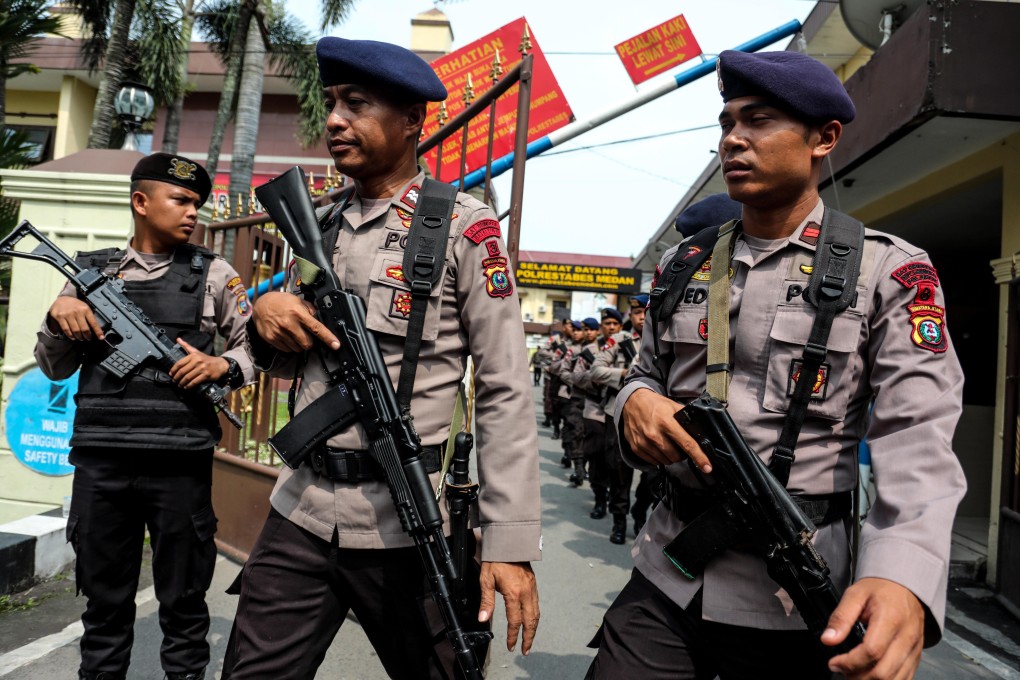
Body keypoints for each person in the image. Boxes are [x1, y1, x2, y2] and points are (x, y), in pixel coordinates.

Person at [586, 49, 967, 679]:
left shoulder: (888, 272)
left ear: (824, 138)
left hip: (794, 597)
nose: (733, 138)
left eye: (759, 120)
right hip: (669, 573)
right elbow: (641, 373)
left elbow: (917, 433)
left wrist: (900, 573)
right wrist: (635, 402)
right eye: (727, 121)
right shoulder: (685, 263)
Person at [222, 37, 541, 680]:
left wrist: (508, 542)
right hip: (302, 508)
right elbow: (295, 359)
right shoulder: (319, 226)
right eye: (333, 103)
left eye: (357, 104)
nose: (335, 119)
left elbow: (506, 387)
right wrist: (266, 322)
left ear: (411, 122)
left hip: (405, 518)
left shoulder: (464, 230)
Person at [34, 152, 254, 680]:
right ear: (140, 202)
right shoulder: (87, 274)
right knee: (104, 606)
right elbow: (51, 366)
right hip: (102, 464)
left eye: (196, 203)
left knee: (183, 603)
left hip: (179, 463)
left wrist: (221, 363)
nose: (191, 212)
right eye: (180, 199)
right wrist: (58, 317)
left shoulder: (213, 273)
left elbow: (254, 349)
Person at [589, 301, 644, 544]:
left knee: (655, 478)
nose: (642, 317)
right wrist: (624, 374)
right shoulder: (620, 340)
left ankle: (640, 512)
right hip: (619, 411)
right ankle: (619, 522)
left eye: (646, 312)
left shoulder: (665, 335)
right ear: (630, 316)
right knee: (619, 471)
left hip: (654, 413)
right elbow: (596, 370)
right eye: (637, 313)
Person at [572, 309, 622, 520]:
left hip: (619, 407)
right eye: (607, 323)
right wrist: (594, 379)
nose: (610, 327)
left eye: (614, 323)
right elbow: (575, 376)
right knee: (597, 454)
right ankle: (600, 498)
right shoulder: (589, 350)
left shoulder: (627, 346)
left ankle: (614, 493)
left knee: (616, 459)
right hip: (595, 409)